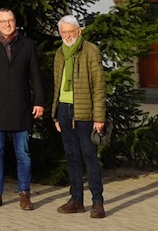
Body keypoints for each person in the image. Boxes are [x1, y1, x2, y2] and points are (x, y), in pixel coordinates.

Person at [0, 7, 45, 210]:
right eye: (3, 21)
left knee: (23, 153)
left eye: (10, 20)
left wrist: (39, 101)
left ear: (15, 21)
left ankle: (24, 193)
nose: (7, 24)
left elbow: (36, 76)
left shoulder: (27, 45)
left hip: (21, 107)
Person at [50, 15, 107, 218]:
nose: (67, 36)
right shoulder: (60, 53)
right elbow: (57, 86)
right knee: (71, 156)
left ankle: (98, 202)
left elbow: (99, 86)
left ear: (78, 31)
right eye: (63, 32)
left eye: (70, 32)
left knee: (89, 156)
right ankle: (76, 200)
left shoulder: (91, 50)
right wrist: (55, 114)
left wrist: (99, 117)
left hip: (84, 112)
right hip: (64, 110)